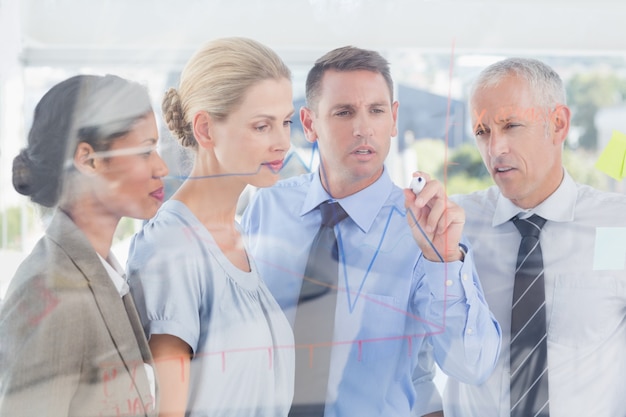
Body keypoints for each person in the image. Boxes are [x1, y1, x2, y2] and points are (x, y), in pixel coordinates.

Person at [241, 45, 501, 417]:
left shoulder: (426, 230)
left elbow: (472, 365)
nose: (363, 128)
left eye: (376, 111)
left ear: (393, 119)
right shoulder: (268, 207)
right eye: (344, 112)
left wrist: (443, 260)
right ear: (310, 123)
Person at [445, 57, 626, 417]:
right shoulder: (454, 226)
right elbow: (418, 341)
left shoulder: (615, 228)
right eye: (482, 132)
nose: (495, 149)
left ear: (557, 124)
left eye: (510, 125)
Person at [126, 37, 295, 417]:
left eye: (285, 122)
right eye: (262, 126)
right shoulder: (172, 247)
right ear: (205, 129)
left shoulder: (236, 236)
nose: (283, 142)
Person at [0, 74, 168, 416]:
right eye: (146, 150)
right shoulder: (49, 292)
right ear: (88, 160)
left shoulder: (103, 274)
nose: (161, 167)